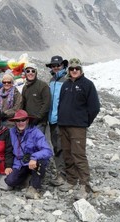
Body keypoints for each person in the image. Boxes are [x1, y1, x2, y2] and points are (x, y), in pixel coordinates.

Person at [57, 58, 100, 199]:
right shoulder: (65, 85)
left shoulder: (87, 84)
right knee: (67, 153)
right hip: (63, 125)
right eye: (71, 69)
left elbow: (94, 107)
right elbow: (61, 103)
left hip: (78, 127)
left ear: (81, 70)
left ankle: (84, 186)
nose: (74, 70)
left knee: (79, 155)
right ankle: (71, 180)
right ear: (68, 70)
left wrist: (85, 121)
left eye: (77, 68)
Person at [5, 109, 53, 199]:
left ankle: (34, 187)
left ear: (27, 121)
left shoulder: (36, 132)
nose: (20, 122)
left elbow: (47, 150)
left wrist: (34, 157)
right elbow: (8, 150)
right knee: (10, 181)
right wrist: (8, 165)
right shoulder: (11, 132)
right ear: (15, 122)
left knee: (42, 161)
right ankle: (28, 178)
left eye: (23, 120)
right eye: (18, 120)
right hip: (19, 163)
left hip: (33, 162)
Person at [46, 56, 68, 186]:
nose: (55, 67)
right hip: (52, 119)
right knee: (56, 146)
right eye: (53, 65)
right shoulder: (52, 80)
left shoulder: (66, 80)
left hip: (61, 119)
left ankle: (63, 175)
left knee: (61, 147)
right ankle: (61, 172)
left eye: (58, 65)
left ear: (63, 65)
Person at [22, 63, 51, 133]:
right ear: (25, 73)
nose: (30, 73)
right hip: (28, 122)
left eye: (33, 71)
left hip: (39, 123)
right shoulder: (25, 88)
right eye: (28, 71)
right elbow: (23, 104)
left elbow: (46, 104)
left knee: (38, 143)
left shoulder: (43, 86)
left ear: (36, 73)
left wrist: (38, 118)